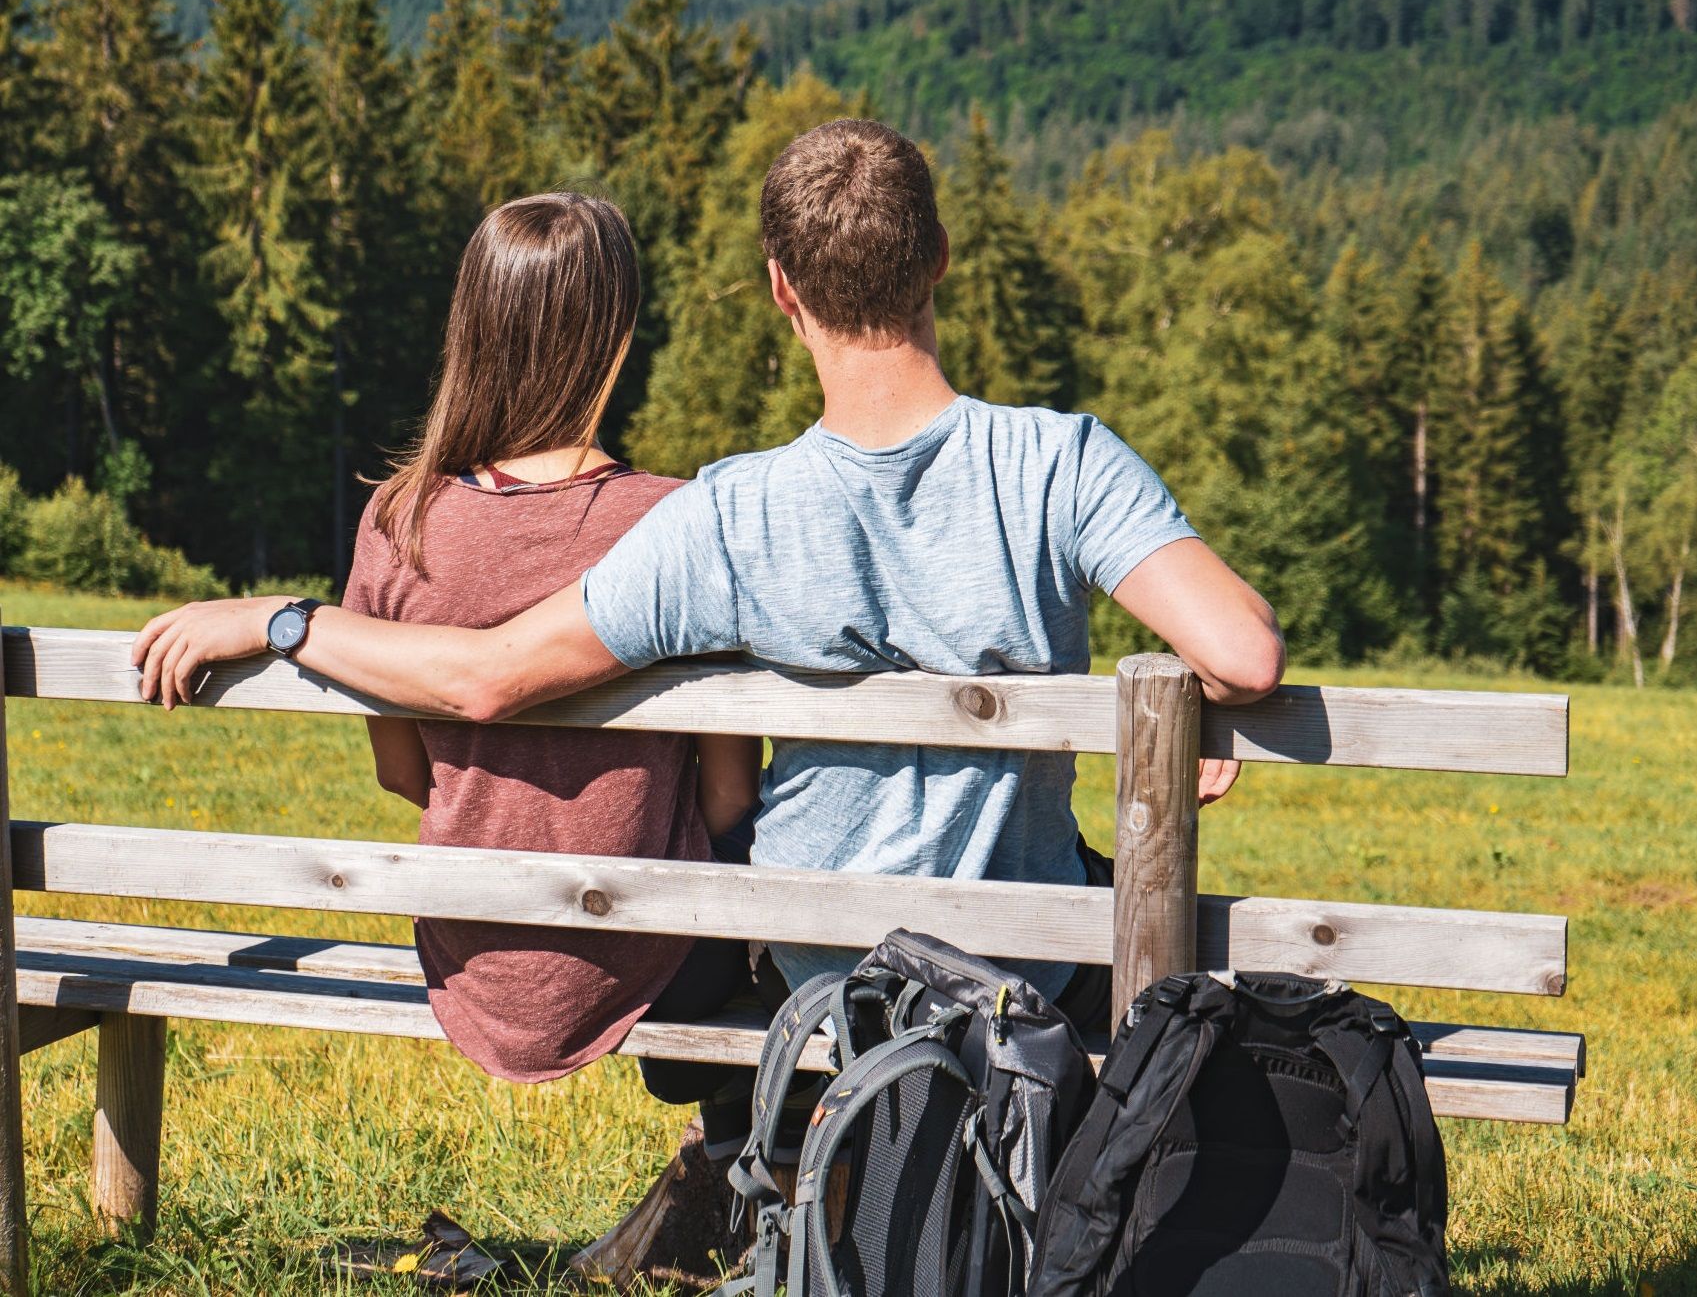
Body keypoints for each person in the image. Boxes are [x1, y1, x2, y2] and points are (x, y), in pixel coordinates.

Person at [134, 120, 1285, 1264]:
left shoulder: (726, 516)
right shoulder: (1060, 460)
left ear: (781, 290)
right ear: (939, 257)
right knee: (1112, 893)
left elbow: (483, 680)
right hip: (1021, 960)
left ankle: (774, 1178)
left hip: (820, 970)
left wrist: (284, 621)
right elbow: (1246, 650)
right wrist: (1179, 698)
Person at [303, 191, 764, 1280]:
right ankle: (737, 1178)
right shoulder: (677, 519)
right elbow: (726, 803)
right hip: (656, 960)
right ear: (614, 333)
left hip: (466, 946)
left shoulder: (396, 520)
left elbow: (399, 771)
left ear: (472, 324)